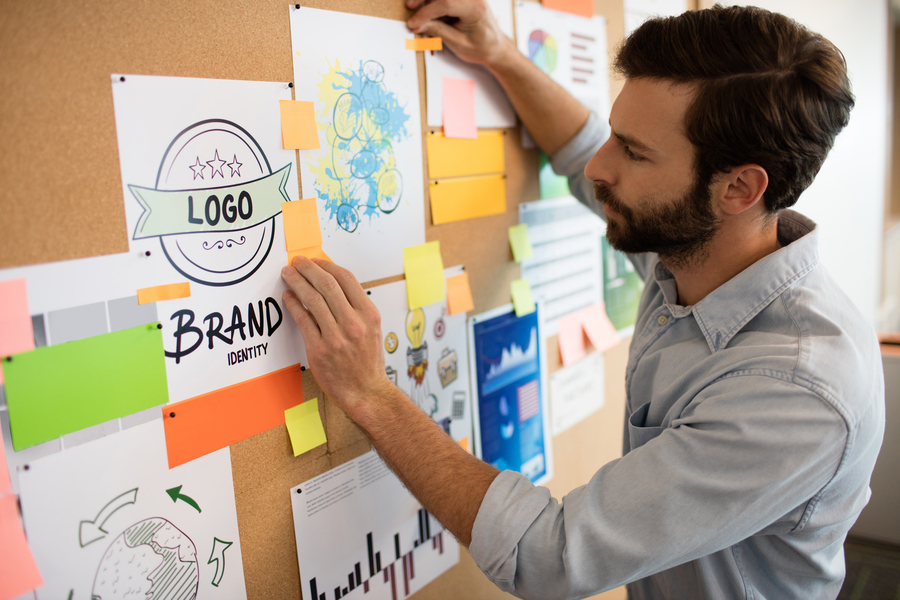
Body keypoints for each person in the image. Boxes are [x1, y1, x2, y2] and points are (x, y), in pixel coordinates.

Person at [280, 2, 886, 598]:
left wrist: (370, 393)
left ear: (737, 187)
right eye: (619, 136)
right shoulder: (705, 245)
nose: (601, 165)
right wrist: (498, 52)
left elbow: (548, 557)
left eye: (635, 152)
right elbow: (581, 149)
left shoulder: (794, 391)